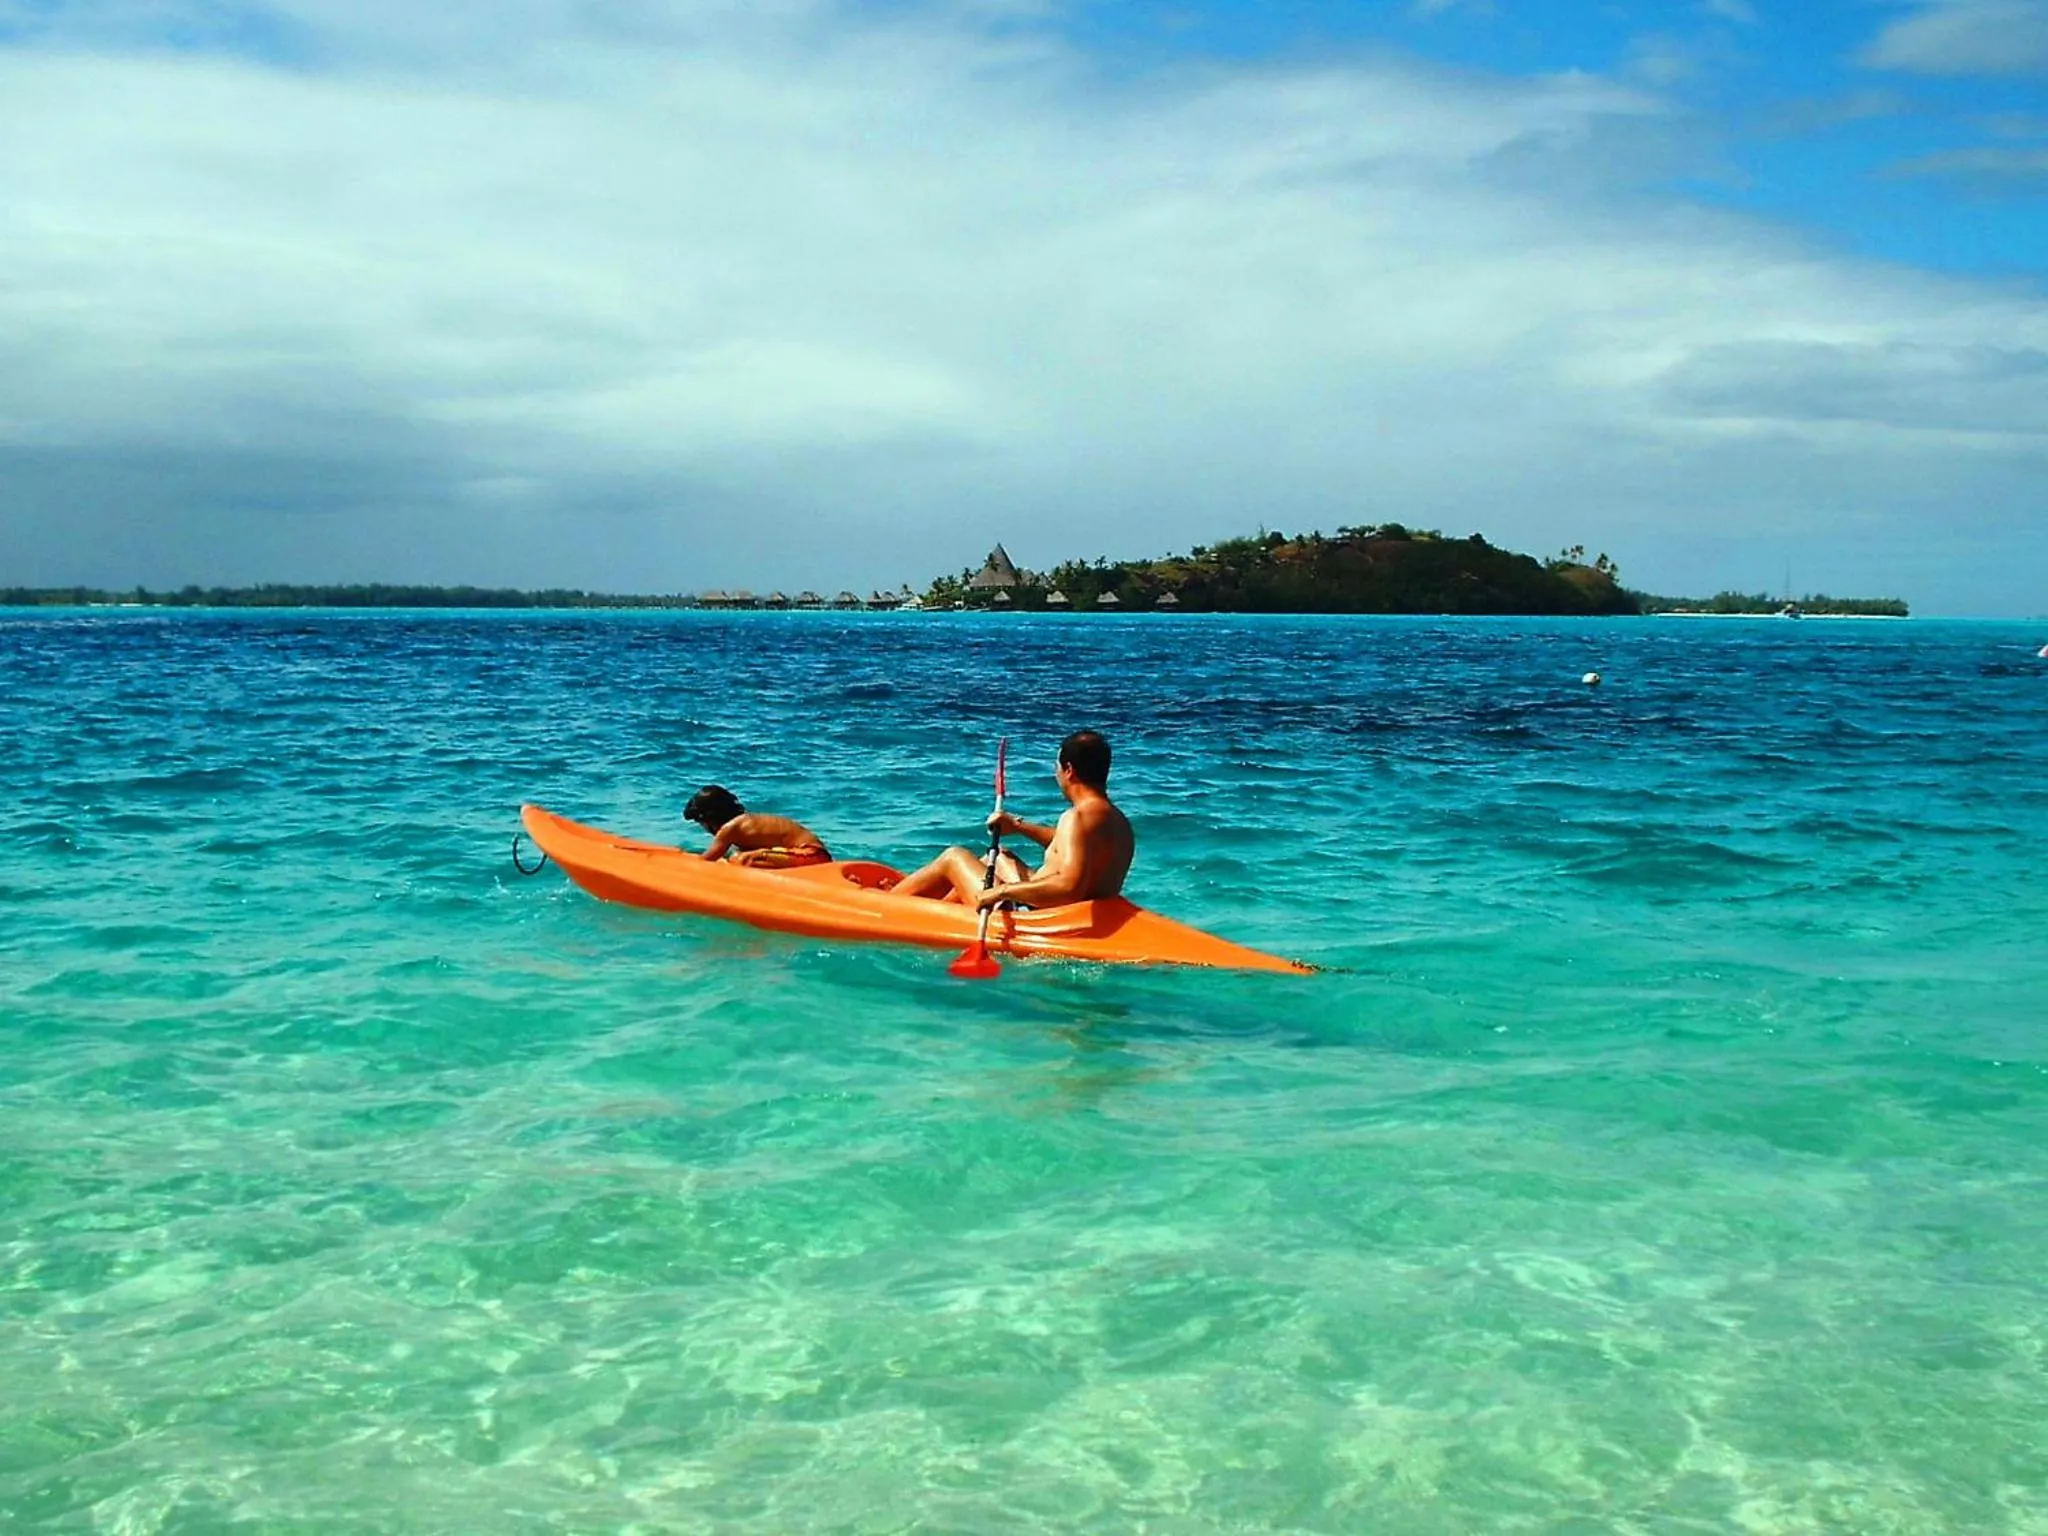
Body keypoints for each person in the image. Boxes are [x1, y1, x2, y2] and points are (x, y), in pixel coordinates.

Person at [894, 730, 1134, 909]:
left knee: (954, 857)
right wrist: (1018, 826)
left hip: (1041, 915)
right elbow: (1071, 845)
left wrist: (1003, 892)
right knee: (998, 856)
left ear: (1069, 770)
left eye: (1057, 768)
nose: (1057, 775)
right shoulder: (1118, 822)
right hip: (1073, 912)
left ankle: (888, 902)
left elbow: (1069, 888)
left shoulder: (1077, 817)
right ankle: (941, 906)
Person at [683, 785, 831, 868]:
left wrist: (681, 865)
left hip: (811, 855)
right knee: (740, 856)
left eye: (701, 823)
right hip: (811, 855)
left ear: (710, 818)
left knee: (740, 859)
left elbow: (706, 861)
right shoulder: (744, 824)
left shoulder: (730, 828)